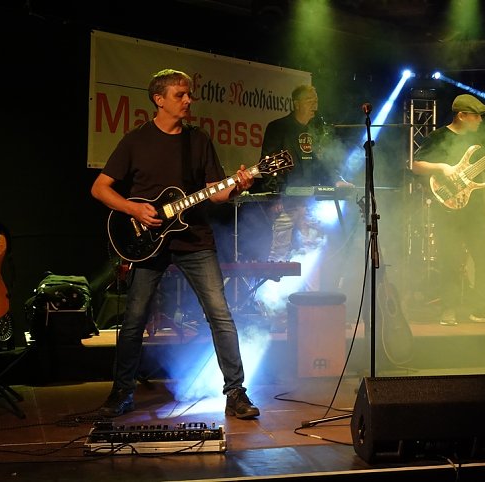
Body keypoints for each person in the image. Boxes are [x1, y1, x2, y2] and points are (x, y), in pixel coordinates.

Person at [90, 69, 260, 419]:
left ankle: (236, 393)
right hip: (147, 243)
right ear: (159, 99)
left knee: (220, 315)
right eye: (181, 94)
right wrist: (132, 207)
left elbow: (217, 194)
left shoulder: (198, 141)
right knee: (134, 319)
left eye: (189, 94)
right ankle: (122, 392)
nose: (188, 100)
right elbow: (100, 188)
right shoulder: (135, 141)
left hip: (194, 240)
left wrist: (240, 184)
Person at [411, 94, 485, 326]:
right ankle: (448, 309)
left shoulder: (479, 142)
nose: (480, 120)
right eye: (476, 115)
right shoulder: (439, 137)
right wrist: (442, 167)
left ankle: (482, 307)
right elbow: (416, 165)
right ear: (462, 115)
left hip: (475, 208)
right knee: (449, 259)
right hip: (447, 207)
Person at [258, 85, 351, 285]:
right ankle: (267, 298)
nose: (314, 105)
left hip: (310, 200)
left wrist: (336, 179)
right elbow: (268, 162)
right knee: (279, 250)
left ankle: (309, 299)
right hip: (286, 199)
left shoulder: (315, 130)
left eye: (316, 100)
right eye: (309, 100)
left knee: (313, 247)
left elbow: (324, 161)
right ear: (296, 103)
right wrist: (274, 194)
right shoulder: (279, 127)